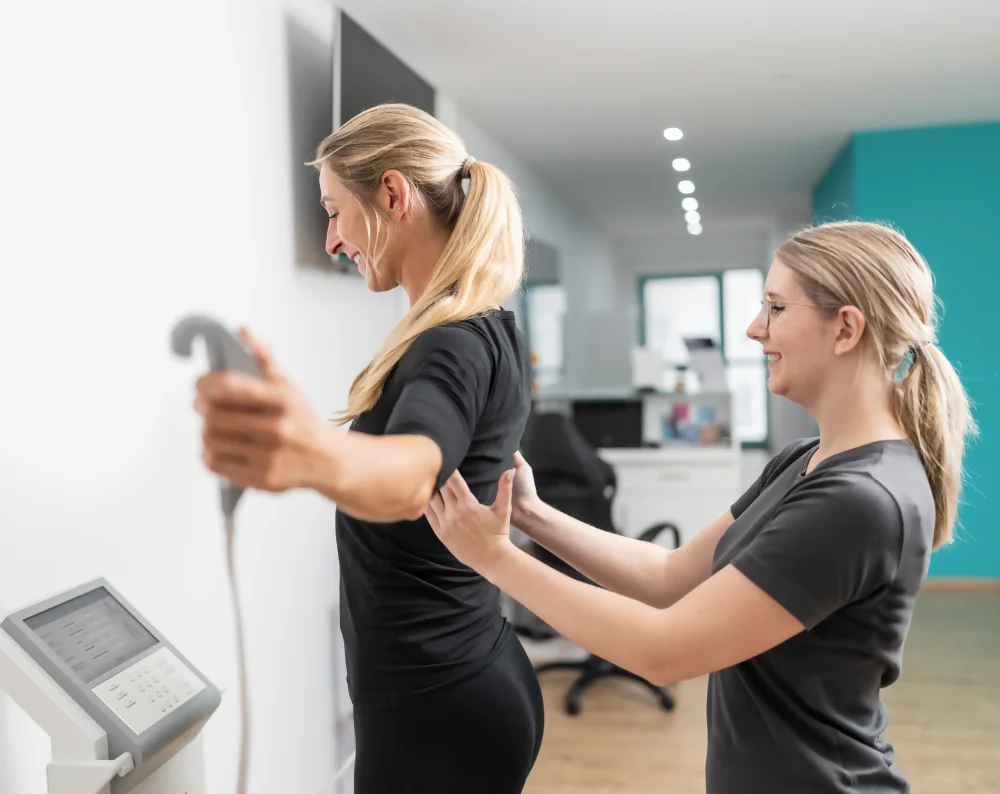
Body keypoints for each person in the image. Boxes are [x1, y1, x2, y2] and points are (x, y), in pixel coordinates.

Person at [424, 220, 977, 794]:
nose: (753, 329)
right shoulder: (805, 460)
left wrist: (496, 560)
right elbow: (670, 578)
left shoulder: (859, 499)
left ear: (845, 328)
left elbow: (663, 651)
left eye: (776, 308)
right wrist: (531, 516)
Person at [193, 103, 542, 793]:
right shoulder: (490, 325)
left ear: (392, 193)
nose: (331, 240)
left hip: (435, 709)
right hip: (473, 674)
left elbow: (414, 470)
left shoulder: (448, 344)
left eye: (334, 210)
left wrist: (311, 454)